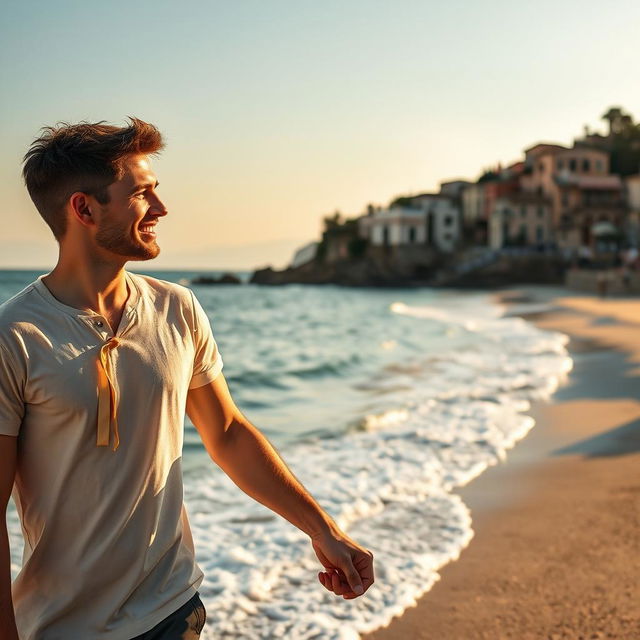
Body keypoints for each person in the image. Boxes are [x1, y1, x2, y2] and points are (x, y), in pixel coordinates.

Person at [0, 118, 374, 639]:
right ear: (83, 209)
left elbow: (226, 433)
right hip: (65, 626)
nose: (161, 208)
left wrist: (324, 530)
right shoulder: (13, 336)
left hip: (174, 610)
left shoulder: (177, 307)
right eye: (142, 194)